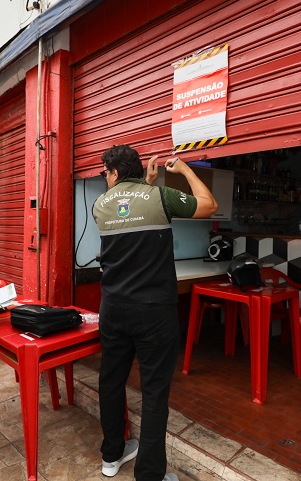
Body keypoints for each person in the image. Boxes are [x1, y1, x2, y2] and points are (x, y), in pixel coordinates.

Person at [92, 145, 217, 481]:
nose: (104, 178)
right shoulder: (160, 197)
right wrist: (186, 170)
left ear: (115, 173)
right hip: (153, 312)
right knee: (155, 391)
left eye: (105, 172)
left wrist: (146, 182)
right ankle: (149, 474)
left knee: (111, 381)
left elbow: (129, 207)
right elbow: (210, 205)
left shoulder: (99, 206)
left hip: (114, 309)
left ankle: (111, 456)